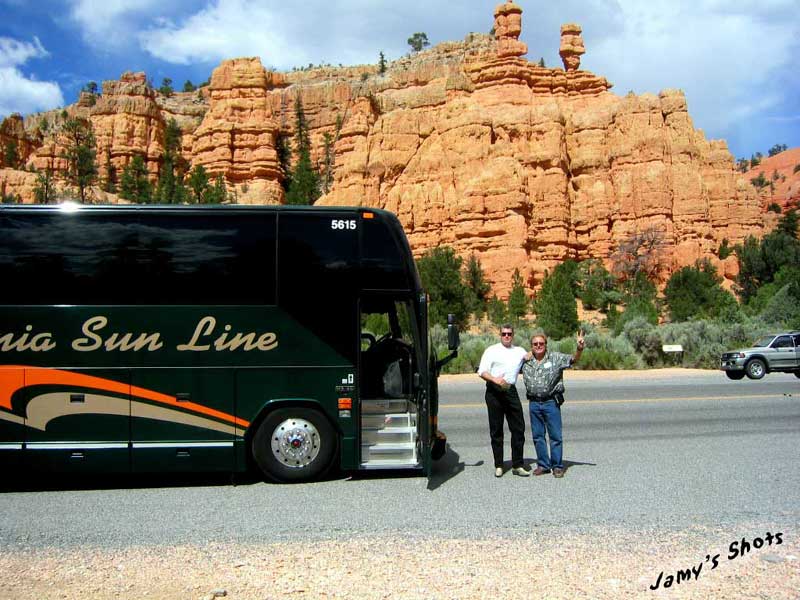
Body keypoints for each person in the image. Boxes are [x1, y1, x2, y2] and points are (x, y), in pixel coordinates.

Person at [521, 329, 584, 478]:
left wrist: (579, 349)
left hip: (551, 403)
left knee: (555, 436)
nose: (538, 346)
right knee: (538, 436)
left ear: (546, 344)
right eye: (535, 344)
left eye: (541, 343)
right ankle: (543, 465)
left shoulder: (555, 358)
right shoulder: (525, 360)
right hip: (534, 403)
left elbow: (573, 360)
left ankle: (557, 466)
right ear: (531, 346)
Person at [477, 324, 530, 477]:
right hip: (494, 391)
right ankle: (499, 465)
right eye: (504, 334)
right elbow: (482, 371)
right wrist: (494, 379)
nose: (506, 336)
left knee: (518, 428)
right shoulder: (492, 350)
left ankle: (518, 464)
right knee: (496, 429)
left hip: (510, 391)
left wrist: (530, 355)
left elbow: (531, 356)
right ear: (499, 335)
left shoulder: (519, 351)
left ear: (513, 335)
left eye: (509, 334)